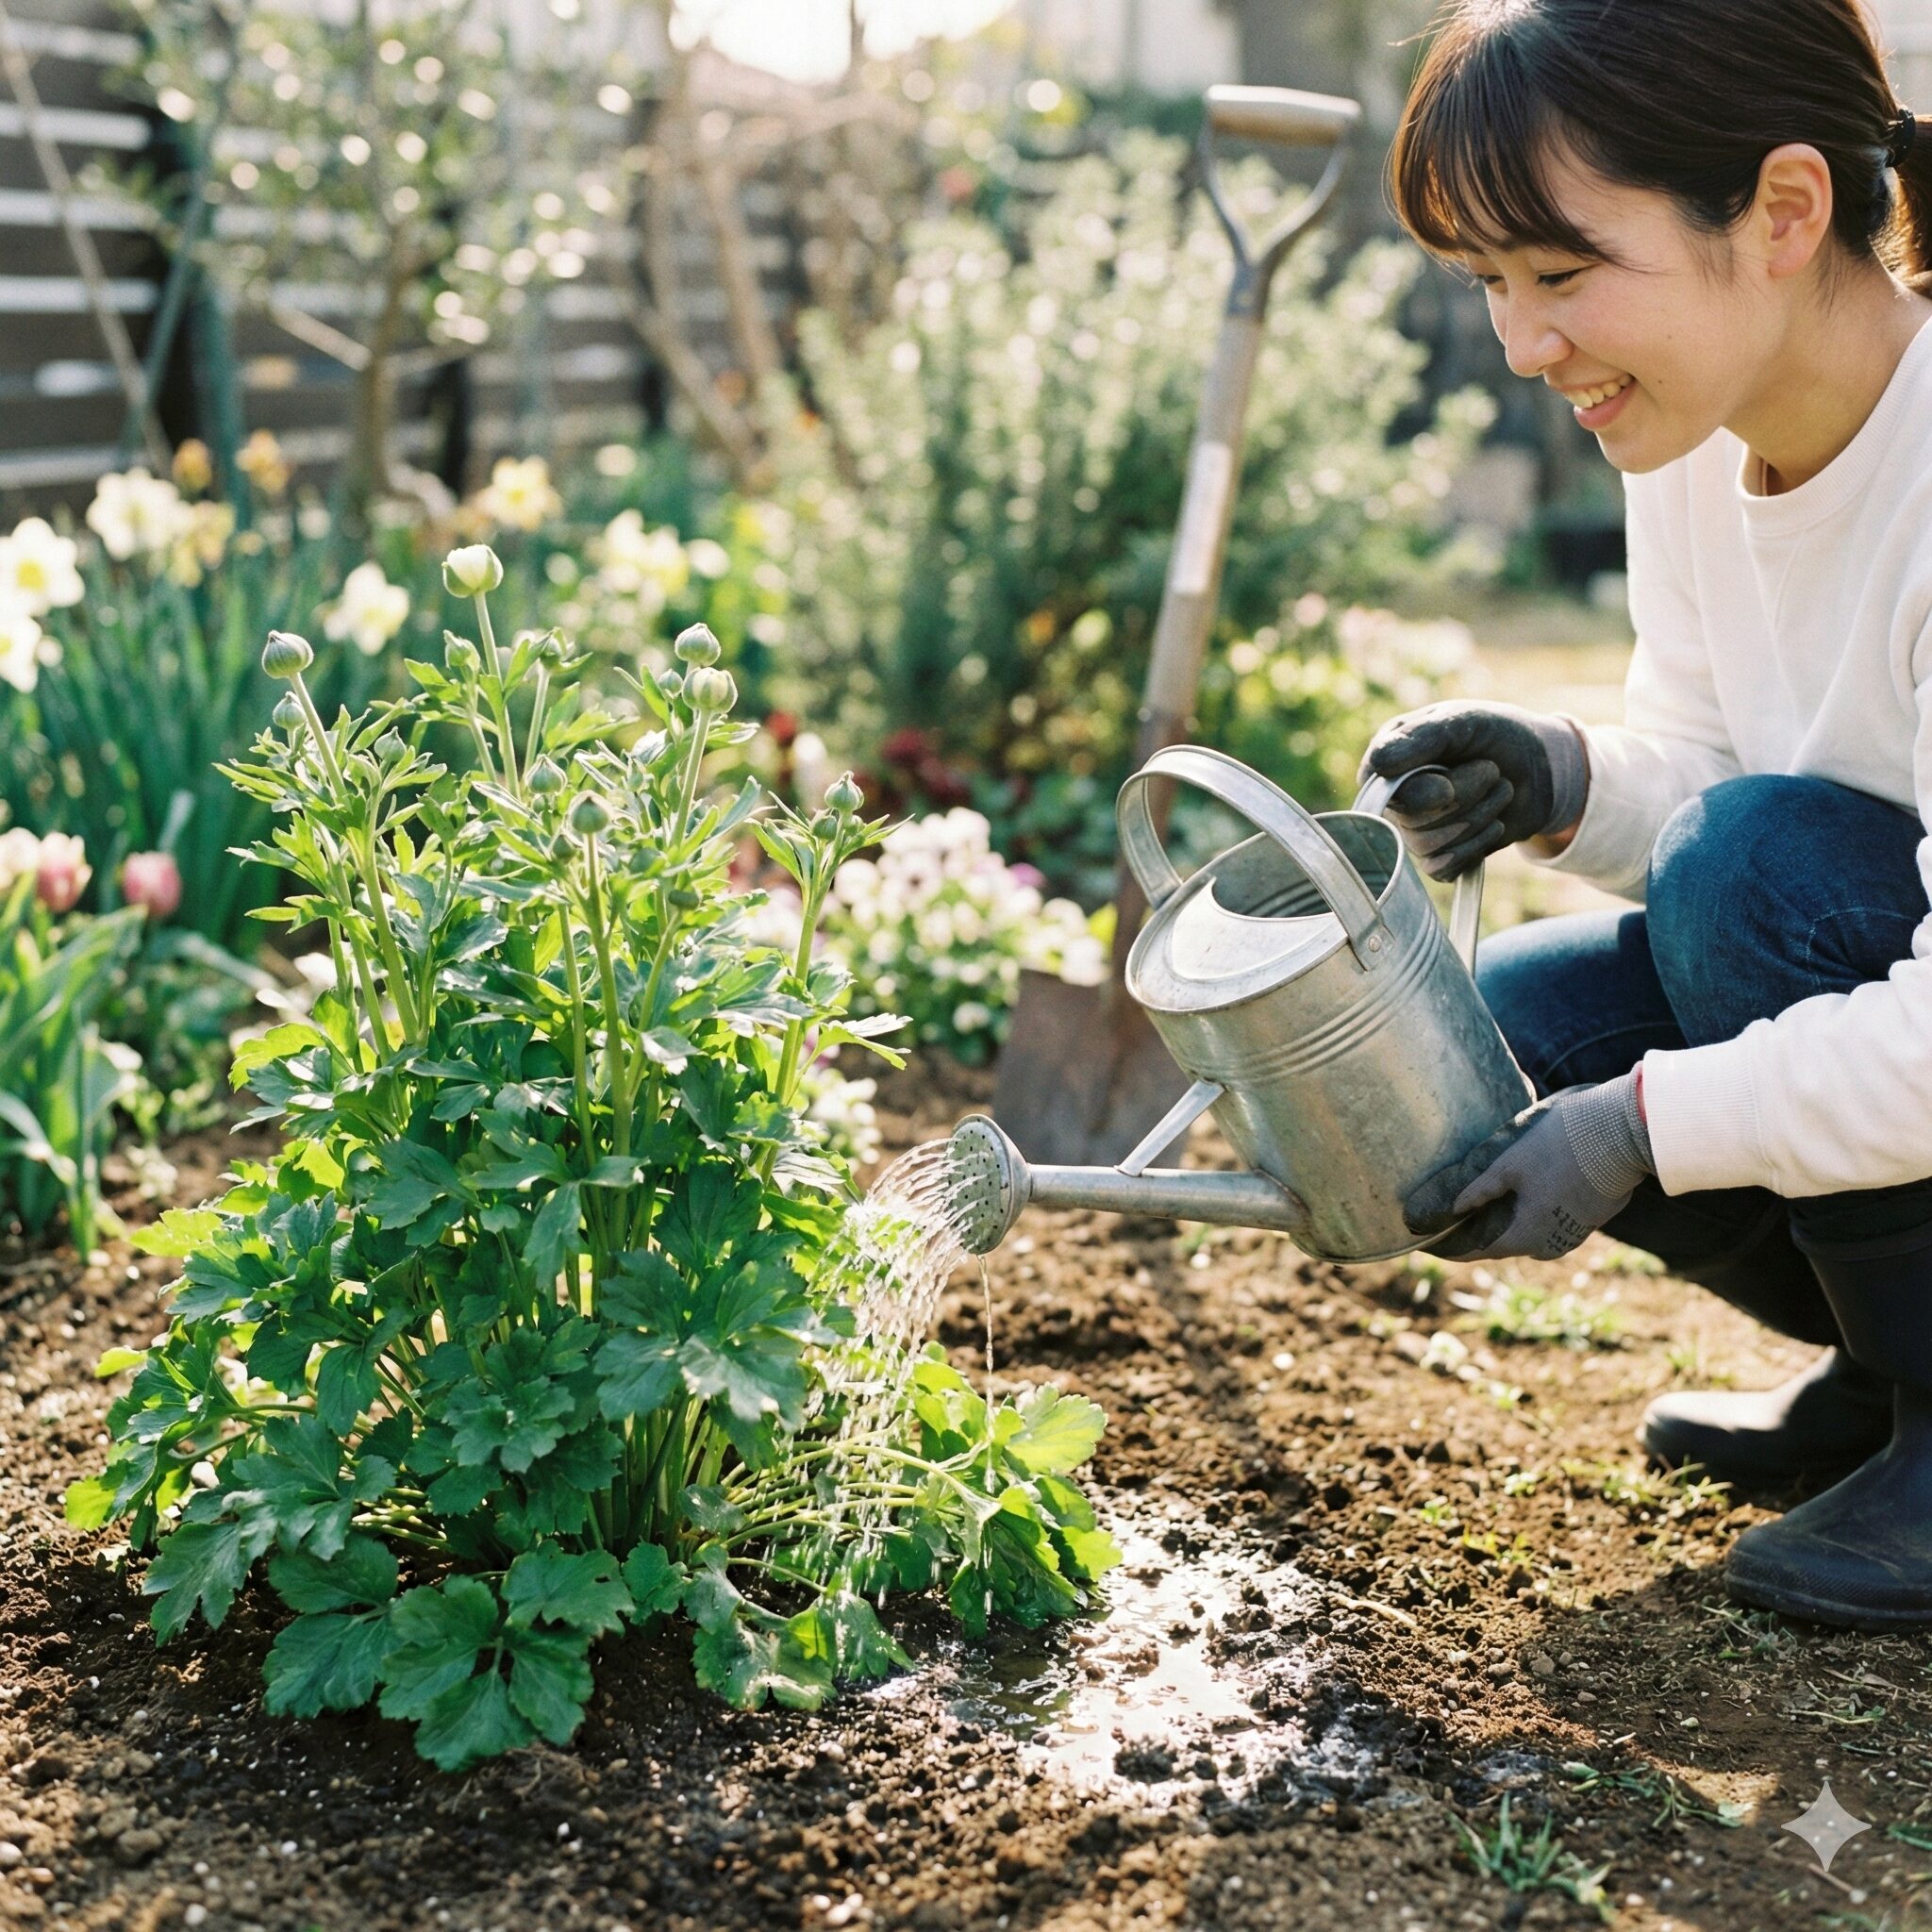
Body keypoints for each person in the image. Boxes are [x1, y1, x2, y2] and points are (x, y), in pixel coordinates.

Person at [1358, 0, 1932, 1631]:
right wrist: (1561, 776)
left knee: (1741, 879)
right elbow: (1718, 766)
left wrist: (1640, 1126)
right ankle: (1892, 1378)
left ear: (1785, 212)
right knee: (1497, 1042)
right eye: (1490, 282)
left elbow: (1770, 878)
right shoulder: (1693, 433)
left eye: (1561, 270)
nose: (1522, 344)